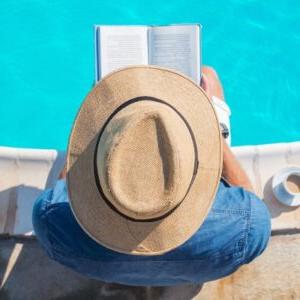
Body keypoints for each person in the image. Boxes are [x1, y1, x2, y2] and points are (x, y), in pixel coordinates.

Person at [32, 65, 271, 286]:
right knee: (207, 74)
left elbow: (66, 185)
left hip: (105, 270)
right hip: (201, 266)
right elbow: (247, 196)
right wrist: (212, 128)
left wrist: (93, 136)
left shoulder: (50, 222)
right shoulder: (250, 225)